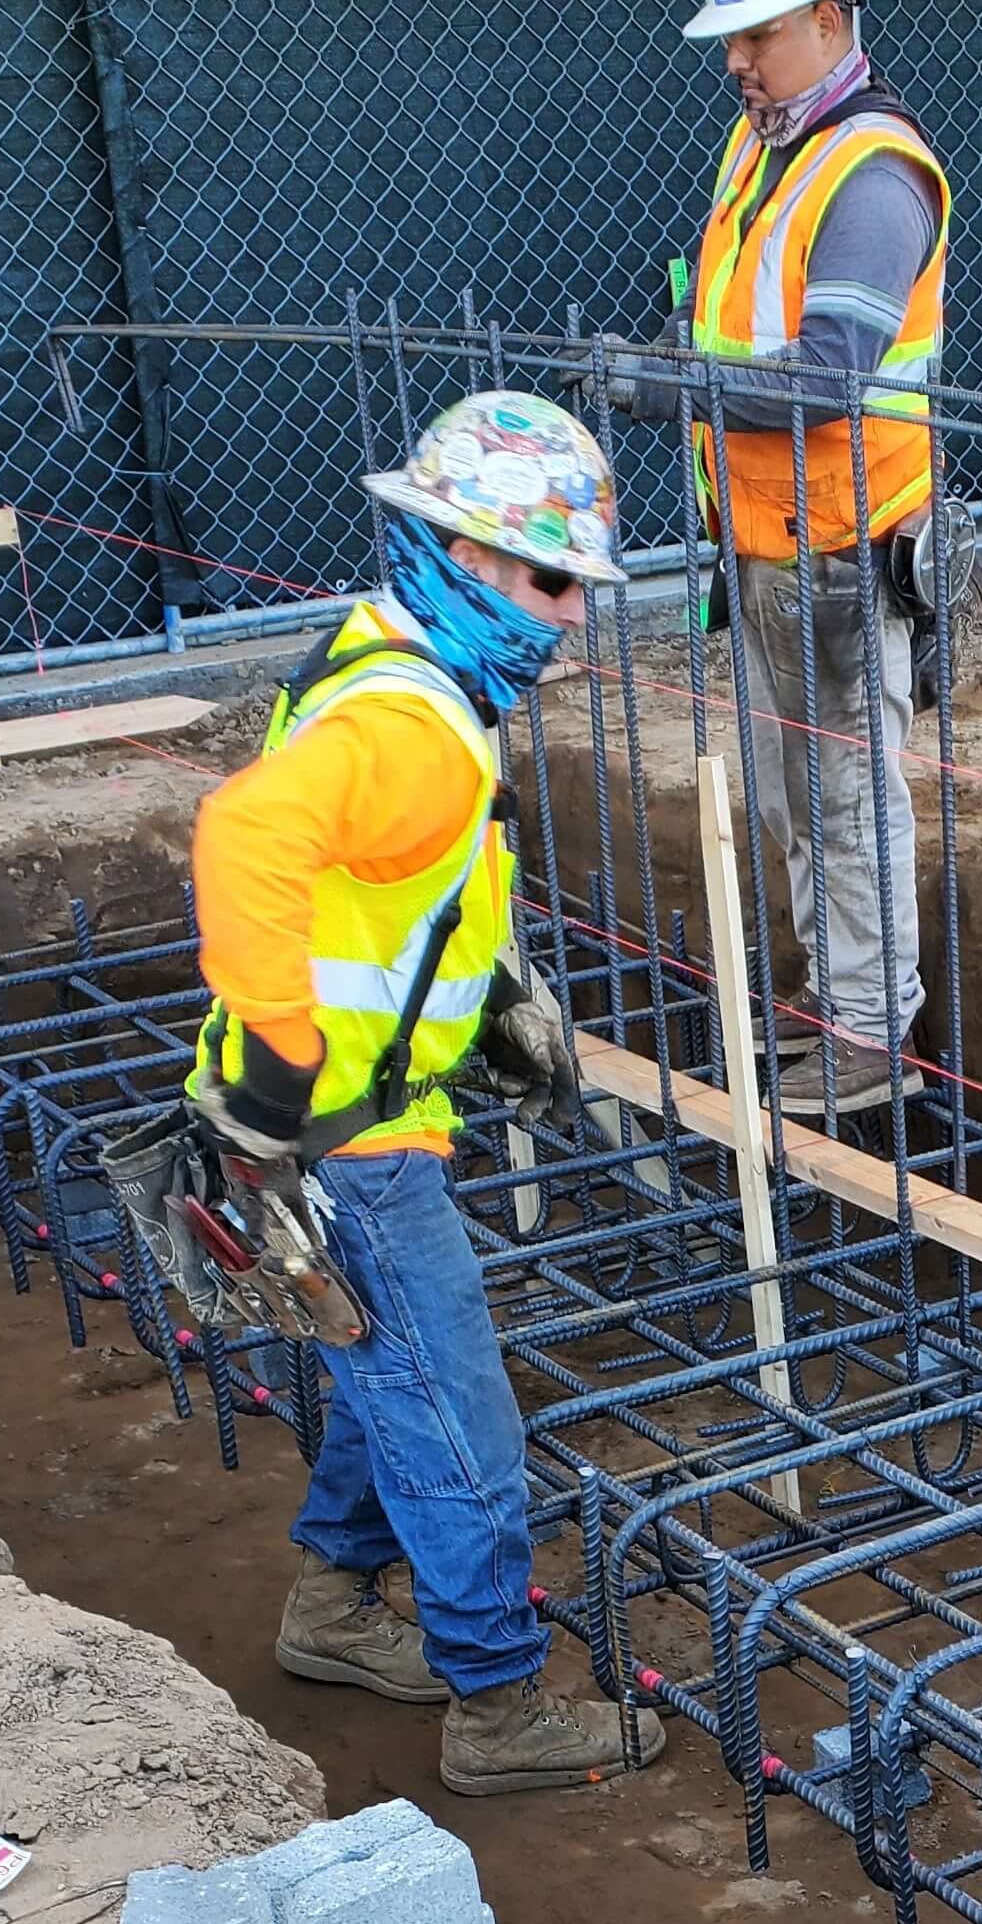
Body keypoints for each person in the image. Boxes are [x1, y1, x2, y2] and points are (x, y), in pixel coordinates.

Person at [183, 389, 656, 1795]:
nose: (575, 613)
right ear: (466, 556)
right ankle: (497, 1706)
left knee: (390, 1375)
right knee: (461, 1418)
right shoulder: (415, 727)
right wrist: (281, 1054)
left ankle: (332, 1611)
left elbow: (397, 890)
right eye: (553, 579)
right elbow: (248, 831)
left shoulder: (398, 656)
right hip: (346, 1141)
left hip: (371, 1119)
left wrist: (489, 996)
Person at [672, 0, 951, 1119]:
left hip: (841, 545)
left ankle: (872, 1035)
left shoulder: (874, 177)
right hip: (769, 540)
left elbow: (830, 375)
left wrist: (659, 386)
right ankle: (832, 1013)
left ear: (831, 18)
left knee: (849, 797)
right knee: (792, 794)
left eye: (759, 32)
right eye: (732, 36)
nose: (738, 59)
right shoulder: (765, 147)